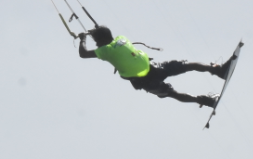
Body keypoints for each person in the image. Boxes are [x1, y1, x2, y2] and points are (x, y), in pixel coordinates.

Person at [78, 26, 228, 108]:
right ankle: (217, 70)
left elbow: (83, 54)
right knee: (187, 66)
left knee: (173, 94)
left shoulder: (105, 51)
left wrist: (82, 39)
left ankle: (206, 101)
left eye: (97, 41)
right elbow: (106, 35)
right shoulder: (121, 38)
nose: (96, 45)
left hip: (144, 81)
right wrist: (96, 32)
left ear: (102, 41)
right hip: (153, 68)